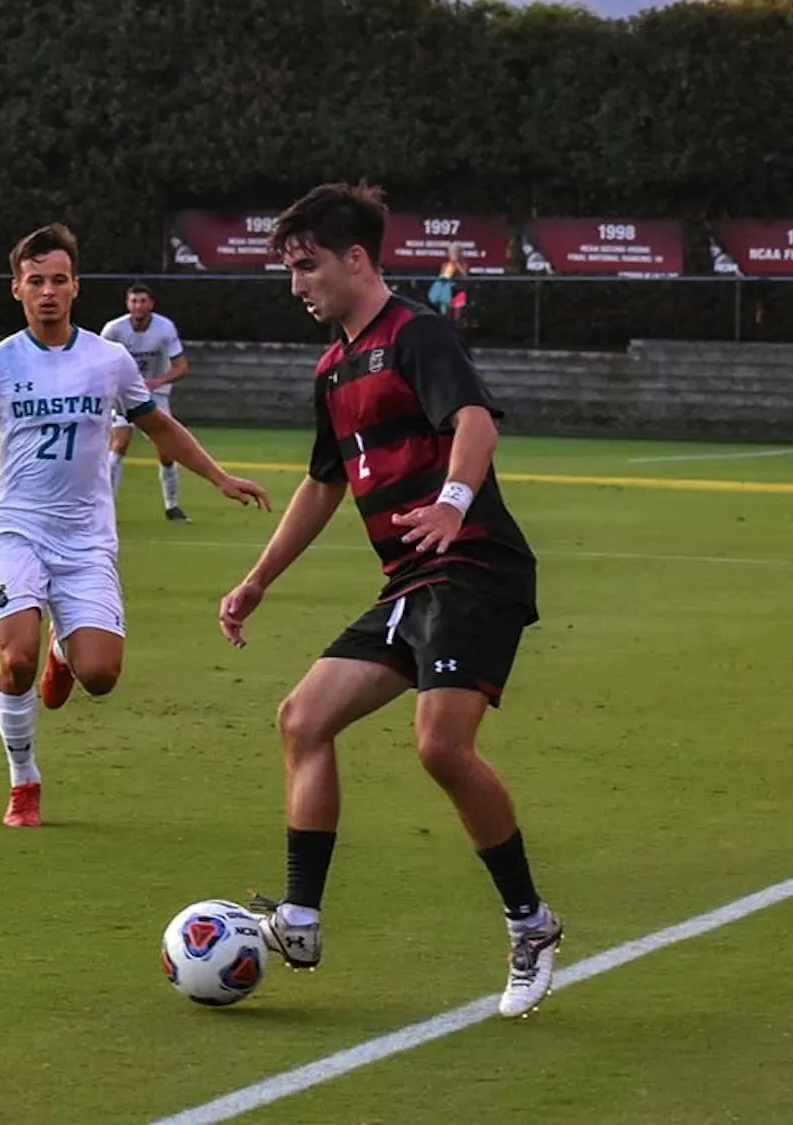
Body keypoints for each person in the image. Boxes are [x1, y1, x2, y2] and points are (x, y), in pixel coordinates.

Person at [217, 183, 563, 1019]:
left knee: (440, 746)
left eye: (307, 266)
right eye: (289, 270)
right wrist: (259, 577)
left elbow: (476, 422)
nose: (297, 284)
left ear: (357, 259)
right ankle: (298, 918)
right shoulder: (333, 367)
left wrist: (451, 499)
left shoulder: (418, 334)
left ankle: (532, 923)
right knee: (302, 717)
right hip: (411, 581)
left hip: (474, 566)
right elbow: (322, 482)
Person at [0, 224, 270, 828]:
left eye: (58, 280)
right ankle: (24, 780)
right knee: (14, 658)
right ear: (16, 289)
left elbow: (158, 427)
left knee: (99, 676)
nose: (47, 291)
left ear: (75, 286)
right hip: (16, 529)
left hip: (85, 539)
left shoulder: (109, 361)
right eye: (35, 281)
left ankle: (64, 651)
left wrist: (219, 477)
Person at [101, 285, 191, 520]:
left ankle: (171, 505)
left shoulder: (164, 328)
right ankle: (106, 507)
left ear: (151, 304)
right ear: (127, 304)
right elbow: (98, 364)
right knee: (120, 443)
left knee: (166, 451)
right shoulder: (113, 330)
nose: (138, 306)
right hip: (122, 395)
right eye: (133, 301)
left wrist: (157, 381)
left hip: (155, 395)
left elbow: (181, 366)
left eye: (142, 301)